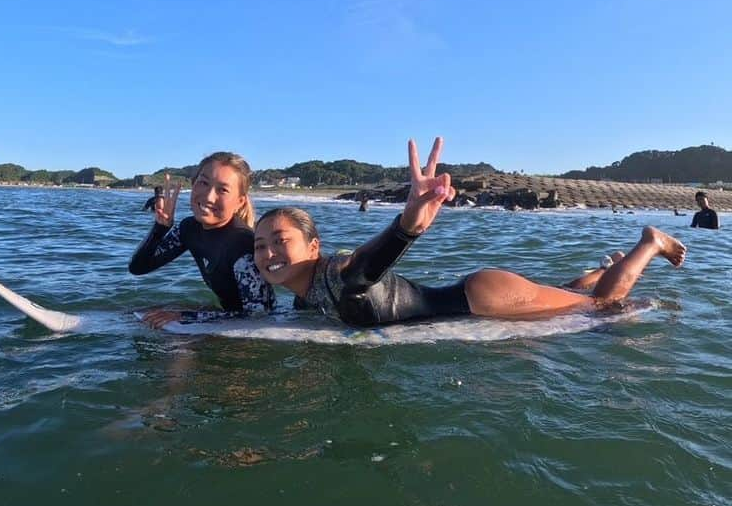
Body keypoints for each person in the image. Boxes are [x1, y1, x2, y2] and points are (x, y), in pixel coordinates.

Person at [253, 137, 686, 327]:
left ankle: (650, 243)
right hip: (478, 292)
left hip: (482, 302)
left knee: (602, 306)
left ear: (314, 246)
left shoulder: (341, 275)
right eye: (260, 245)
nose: (269, 253)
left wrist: (406, 227)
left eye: (280, 241)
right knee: (565, 291)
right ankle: (598, 268)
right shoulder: (305, 294)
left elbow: (367, 267)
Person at [130, 152, 274, 326]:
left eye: (223, 190)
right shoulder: (189, 228)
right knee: (136, 315)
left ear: (240, 201)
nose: (208, 196)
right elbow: (138, 268)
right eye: (204, 183)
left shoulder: (242, 245)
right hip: (225, 316)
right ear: (193, 184)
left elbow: (258, 317)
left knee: (176, 349)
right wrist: (161, 228)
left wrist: (187, 317)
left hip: (247, 333)